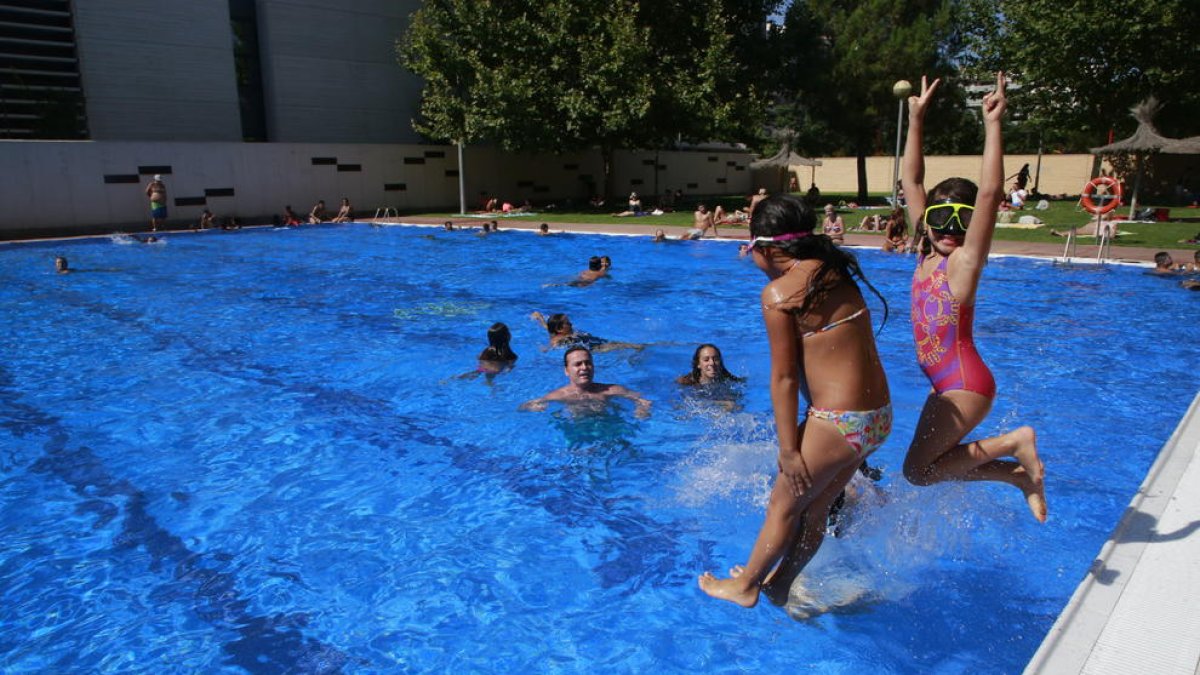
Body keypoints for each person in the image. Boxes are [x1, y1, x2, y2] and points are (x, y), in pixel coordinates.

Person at [698, 193, 892, 609]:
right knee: (816, 507)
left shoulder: (780, 294)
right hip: (877, 420)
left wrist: (788, 450)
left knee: (782, 504)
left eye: (751, 249)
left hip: (839, 420)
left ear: (767, 248)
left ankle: (747, 584)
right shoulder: (834, 270)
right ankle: (781, 582)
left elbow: (784, 378)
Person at [899, 72, 1046, 524]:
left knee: (920, 473)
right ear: (925, 221)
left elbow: (988, 193)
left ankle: (1013, 446)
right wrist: (916, 120)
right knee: (918, 472)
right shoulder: (924, 249)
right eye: (939, 218)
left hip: (965, 382)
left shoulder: (963, 263)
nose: (947, 230)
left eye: (959, 223)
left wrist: (993, 125)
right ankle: (1017, 475)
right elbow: (912, 178)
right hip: (946, 382)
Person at [519, 347, 651, 418]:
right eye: (578, 364)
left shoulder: (611, 390)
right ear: (567, 371)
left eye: (588, 363)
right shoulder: (559, 395)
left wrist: (642, 409)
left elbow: (642, 399)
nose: (584, 367)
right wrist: (532, 407)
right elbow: (523, 407)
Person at [528, 311, 640, 352]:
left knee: (619, 344)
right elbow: (555, 345)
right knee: (618, 345)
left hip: (589, 341)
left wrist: (539, 317)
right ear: (560, 329)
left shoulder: (553, 332)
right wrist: (546, 349)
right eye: (568, 323)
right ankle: (640, 347)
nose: (571, 324)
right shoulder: (562, 340)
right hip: (595, 348)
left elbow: (546, 327)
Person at [676, 344, 744, 386]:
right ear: (698, 364)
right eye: (706, 360)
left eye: (716, 359)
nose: (712, 363)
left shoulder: (729, 382)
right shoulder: (686, 383)